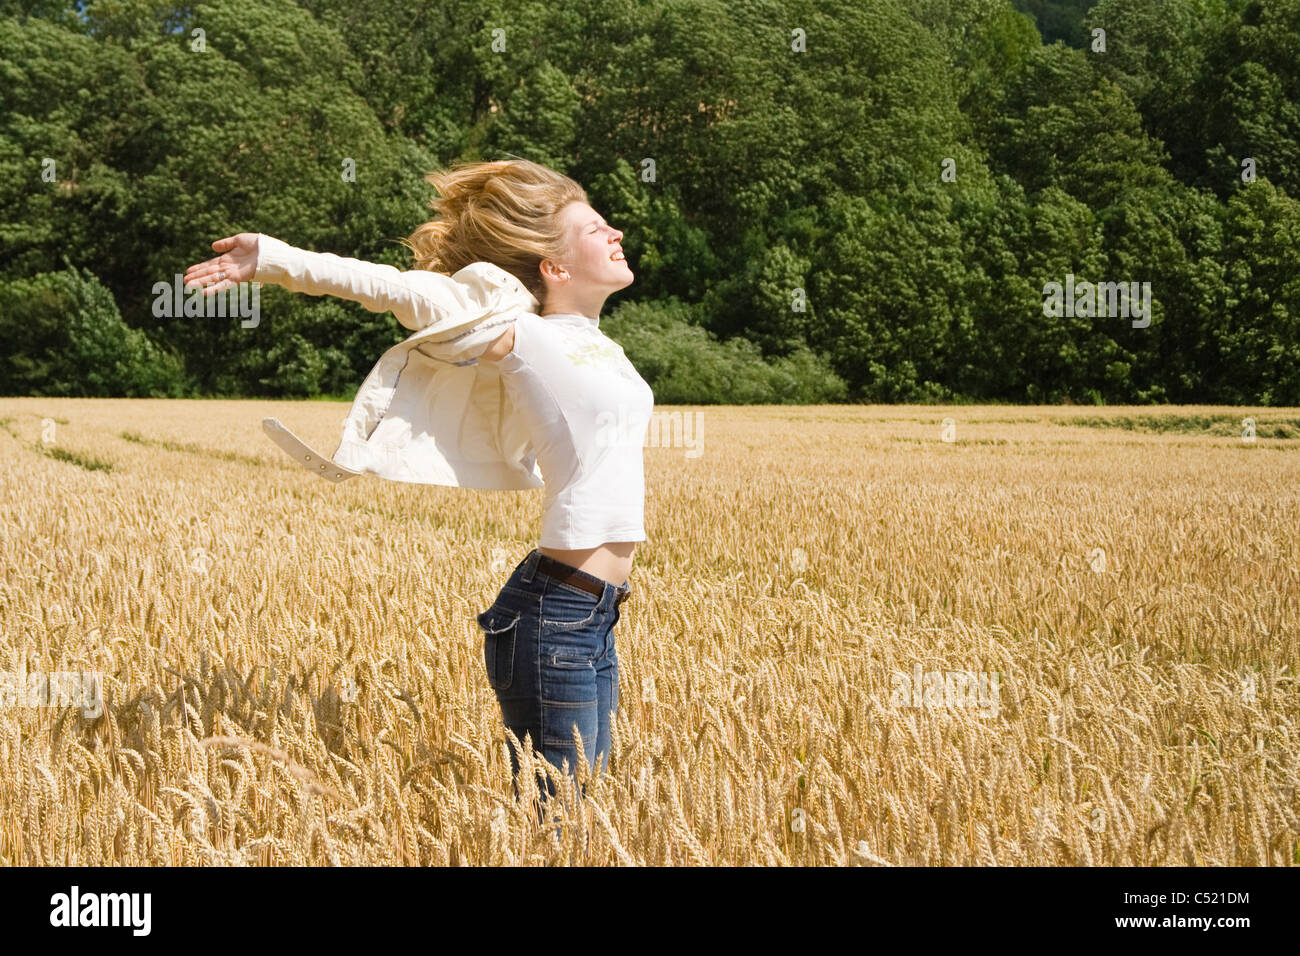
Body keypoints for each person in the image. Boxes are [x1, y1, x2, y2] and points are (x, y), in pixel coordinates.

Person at [182, 159, 654, 822]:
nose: (617, 231)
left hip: (596, 613)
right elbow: (400, 290)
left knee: (583, 814)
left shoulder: (601, 347)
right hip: (554, 619)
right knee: (560, 821)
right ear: (553, 266)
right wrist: (276, 259)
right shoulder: (518, 332)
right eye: (597, 227)